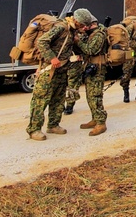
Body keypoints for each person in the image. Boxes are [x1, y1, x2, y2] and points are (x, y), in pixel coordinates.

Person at [26, 9, 89, 141]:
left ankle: (53, 125)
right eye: (82, 24)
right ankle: (34, 129)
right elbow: (42, 42)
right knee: (40, 100)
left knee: (58, 100)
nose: (84, 27)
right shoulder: (61, 27)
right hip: (49, 71)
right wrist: (52, 58)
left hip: (62, 70)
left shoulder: (72, 31)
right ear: (76, 20)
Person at [73, 13, 109, 136]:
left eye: (87, 25)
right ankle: (95, 118)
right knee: (90, 95)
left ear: (92, 24)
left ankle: (101, 123)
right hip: (90, 67)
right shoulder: (90, 34)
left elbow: (91, 50)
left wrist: (78, 41)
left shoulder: (99, 35)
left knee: (96, 95)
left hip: (98, 68)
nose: (85, 28)